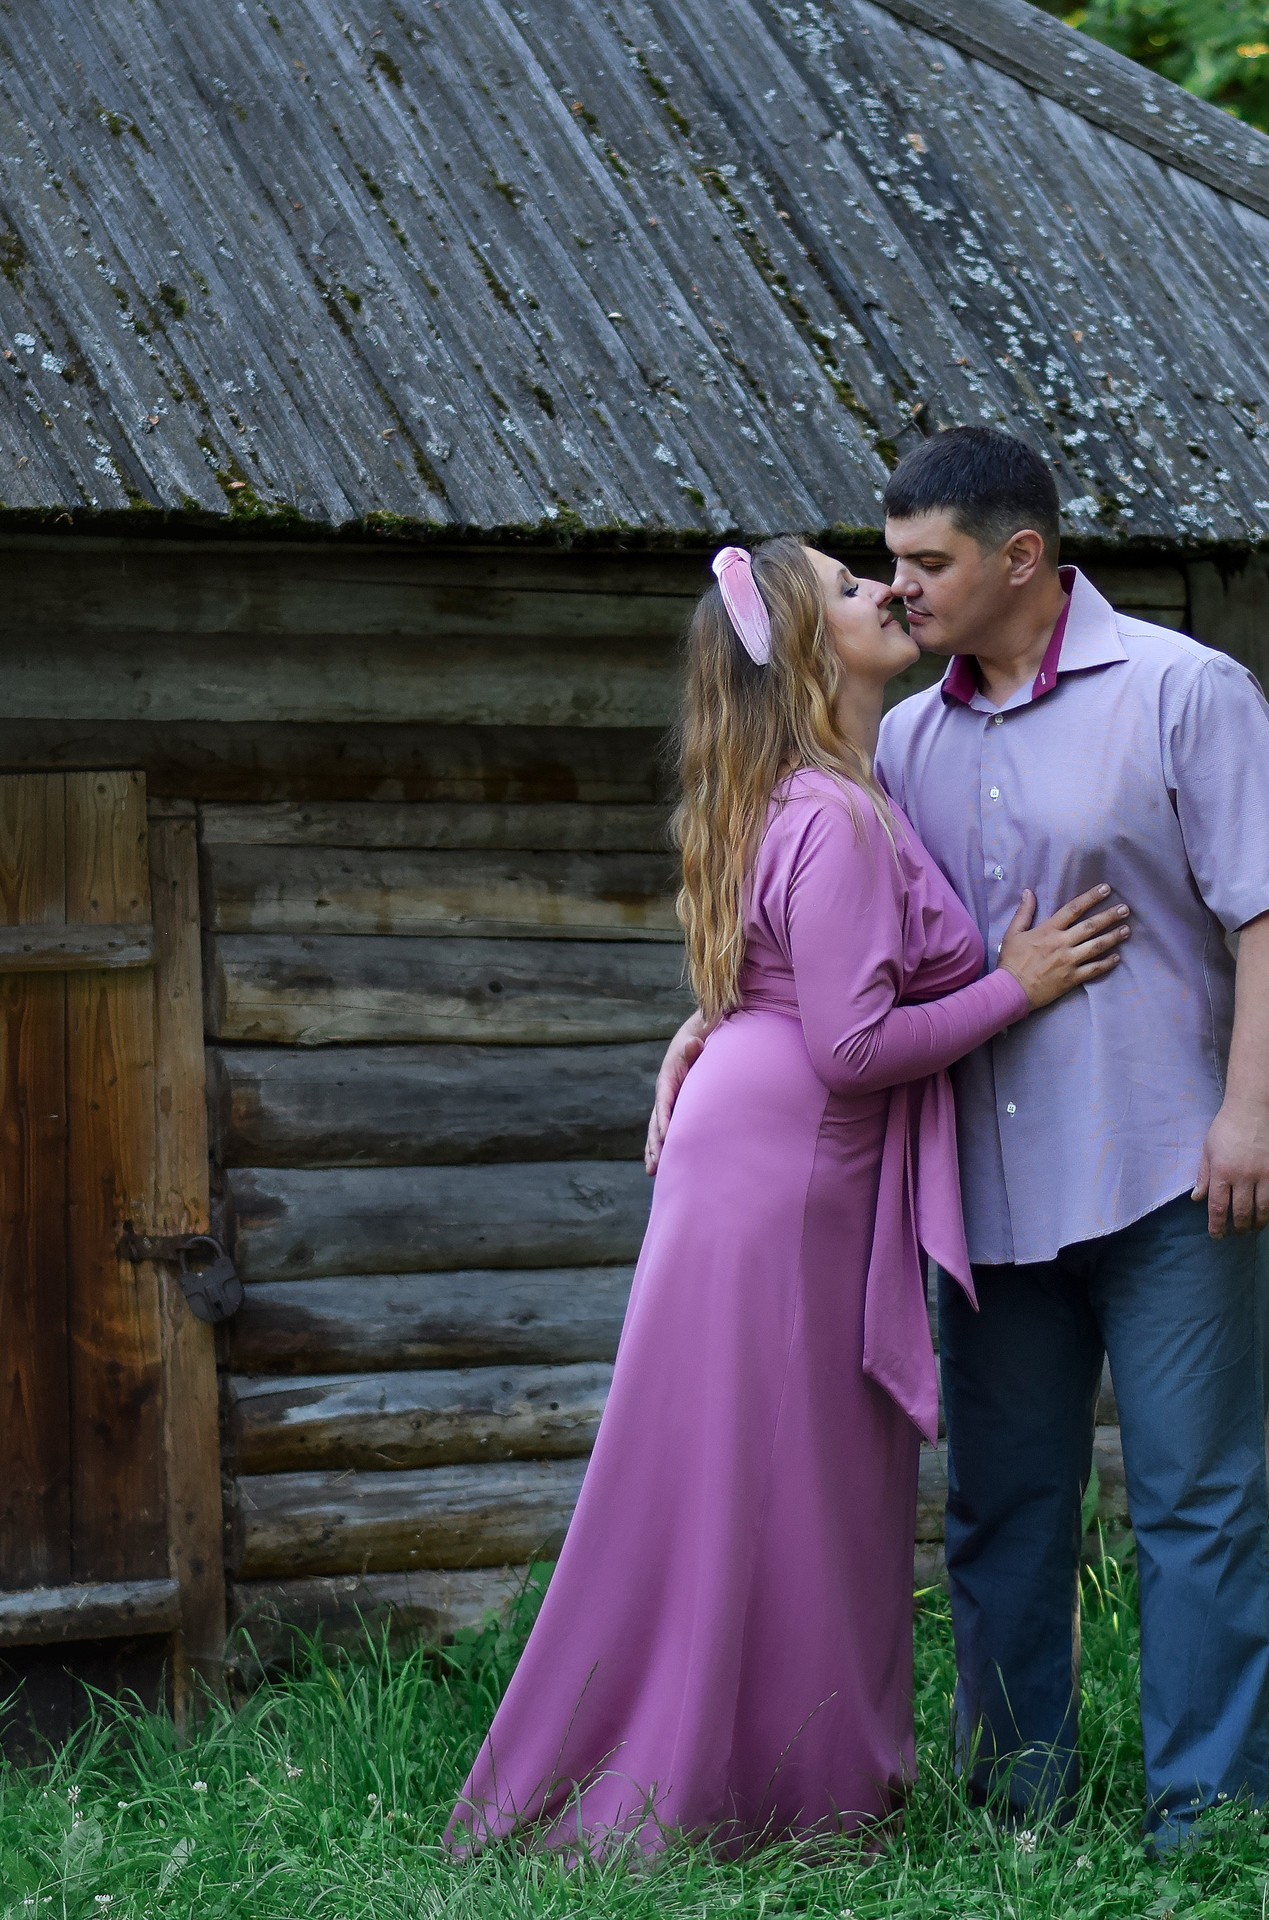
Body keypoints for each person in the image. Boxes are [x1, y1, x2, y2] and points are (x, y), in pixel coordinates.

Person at [648, 428, 1269, 1850]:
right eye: (885, 567)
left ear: (1020, 557)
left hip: (1165, 1169)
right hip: (985, 1193)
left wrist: (1255, 1105)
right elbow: (843, 948)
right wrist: (718, 1016)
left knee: (1194, 1505)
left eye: (926, 564)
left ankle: (1204, 1820)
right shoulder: (901, 738)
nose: (899, 592)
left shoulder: (1184, 691)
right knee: (1001, 1511)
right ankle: (1018, 1800)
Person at [445, 538, 1129, 1858]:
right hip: (792, 1166)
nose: (888, 590)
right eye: (854, 588)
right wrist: (1021, 984)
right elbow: (853, 1047)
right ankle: (785, 1790)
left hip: (761, 1149)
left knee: (750, 1469)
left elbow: (781, 995)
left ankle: (753, 1764)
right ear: (815, 650)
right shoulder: (834, 813)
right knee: (798, 1477)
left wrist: (702, 1032)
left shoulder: (811, 797)